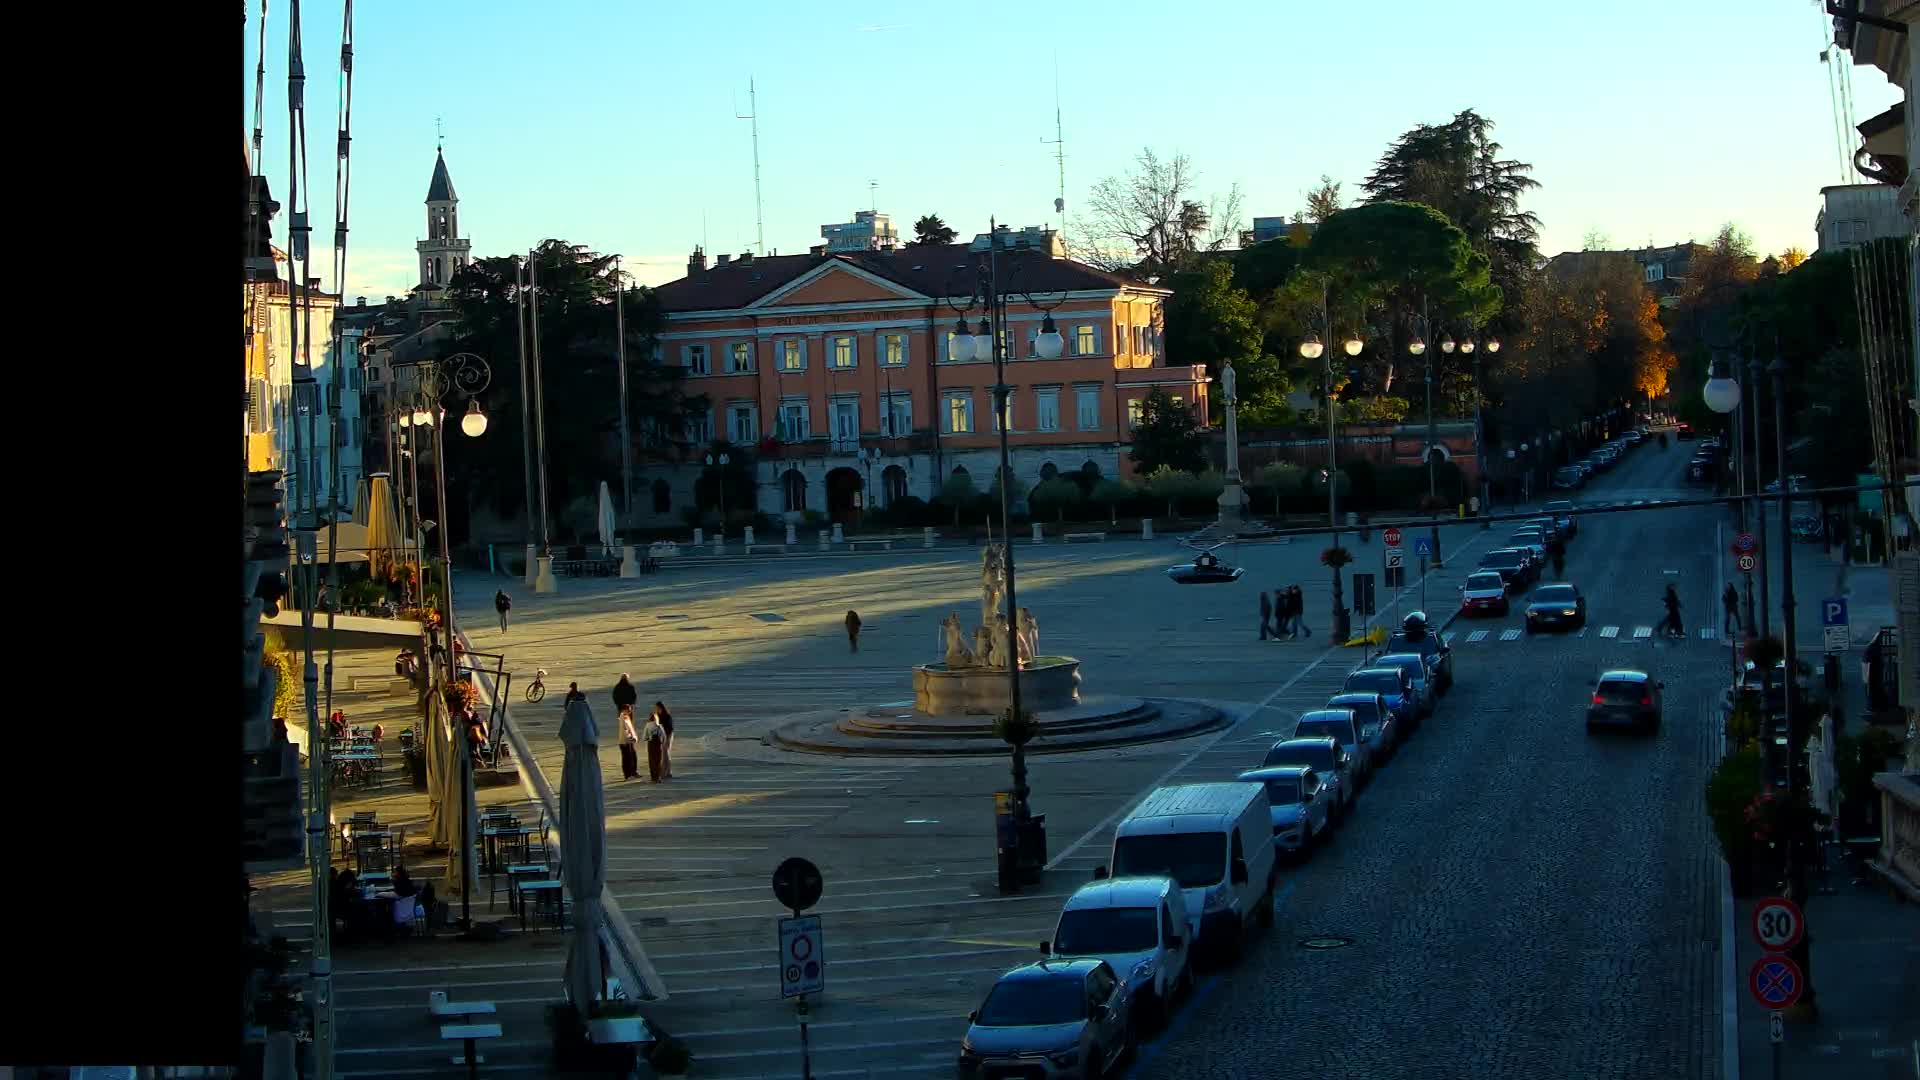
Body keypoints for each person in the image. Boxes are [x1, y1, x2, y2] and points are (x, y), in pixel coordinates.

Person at [641, 708, 666, 782]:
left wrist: (648, 738)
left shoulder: (648, 725)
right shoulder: (659, 726)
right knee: (658, 760)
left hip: (651, 744)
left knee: (652, 761)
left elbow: (644, 737)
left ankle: (653, 777)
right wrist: (662, 743)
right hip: (658, 744)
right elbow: (664, 736)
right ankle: (658, 777)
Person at [653, 701, 676, 779]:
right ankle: (665, 771)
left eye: (656, 708)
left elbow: (670, 728)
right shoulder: (658, 716)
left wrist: (666, 737)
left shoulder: (667, 716)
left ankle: (667, 771)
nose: (655, 709)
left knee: (666, 753)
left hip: (668, 735)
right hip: (662, 736)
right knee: (664, 754)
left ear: (660, 708)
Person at [618, 706, 641, 780]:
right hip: (625, 741)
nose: (630, 712)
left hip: (629, 741)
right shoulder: (623, 718)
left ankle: (633, 772)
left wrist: (634, 737)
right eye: (628, 710)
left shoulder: (626, 717)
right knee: (627, 758)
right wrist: (631, 738)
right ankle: (627, 775)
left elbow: (631, 729)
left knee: (633, 756)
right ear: (624, 710)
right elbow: (625, 730)